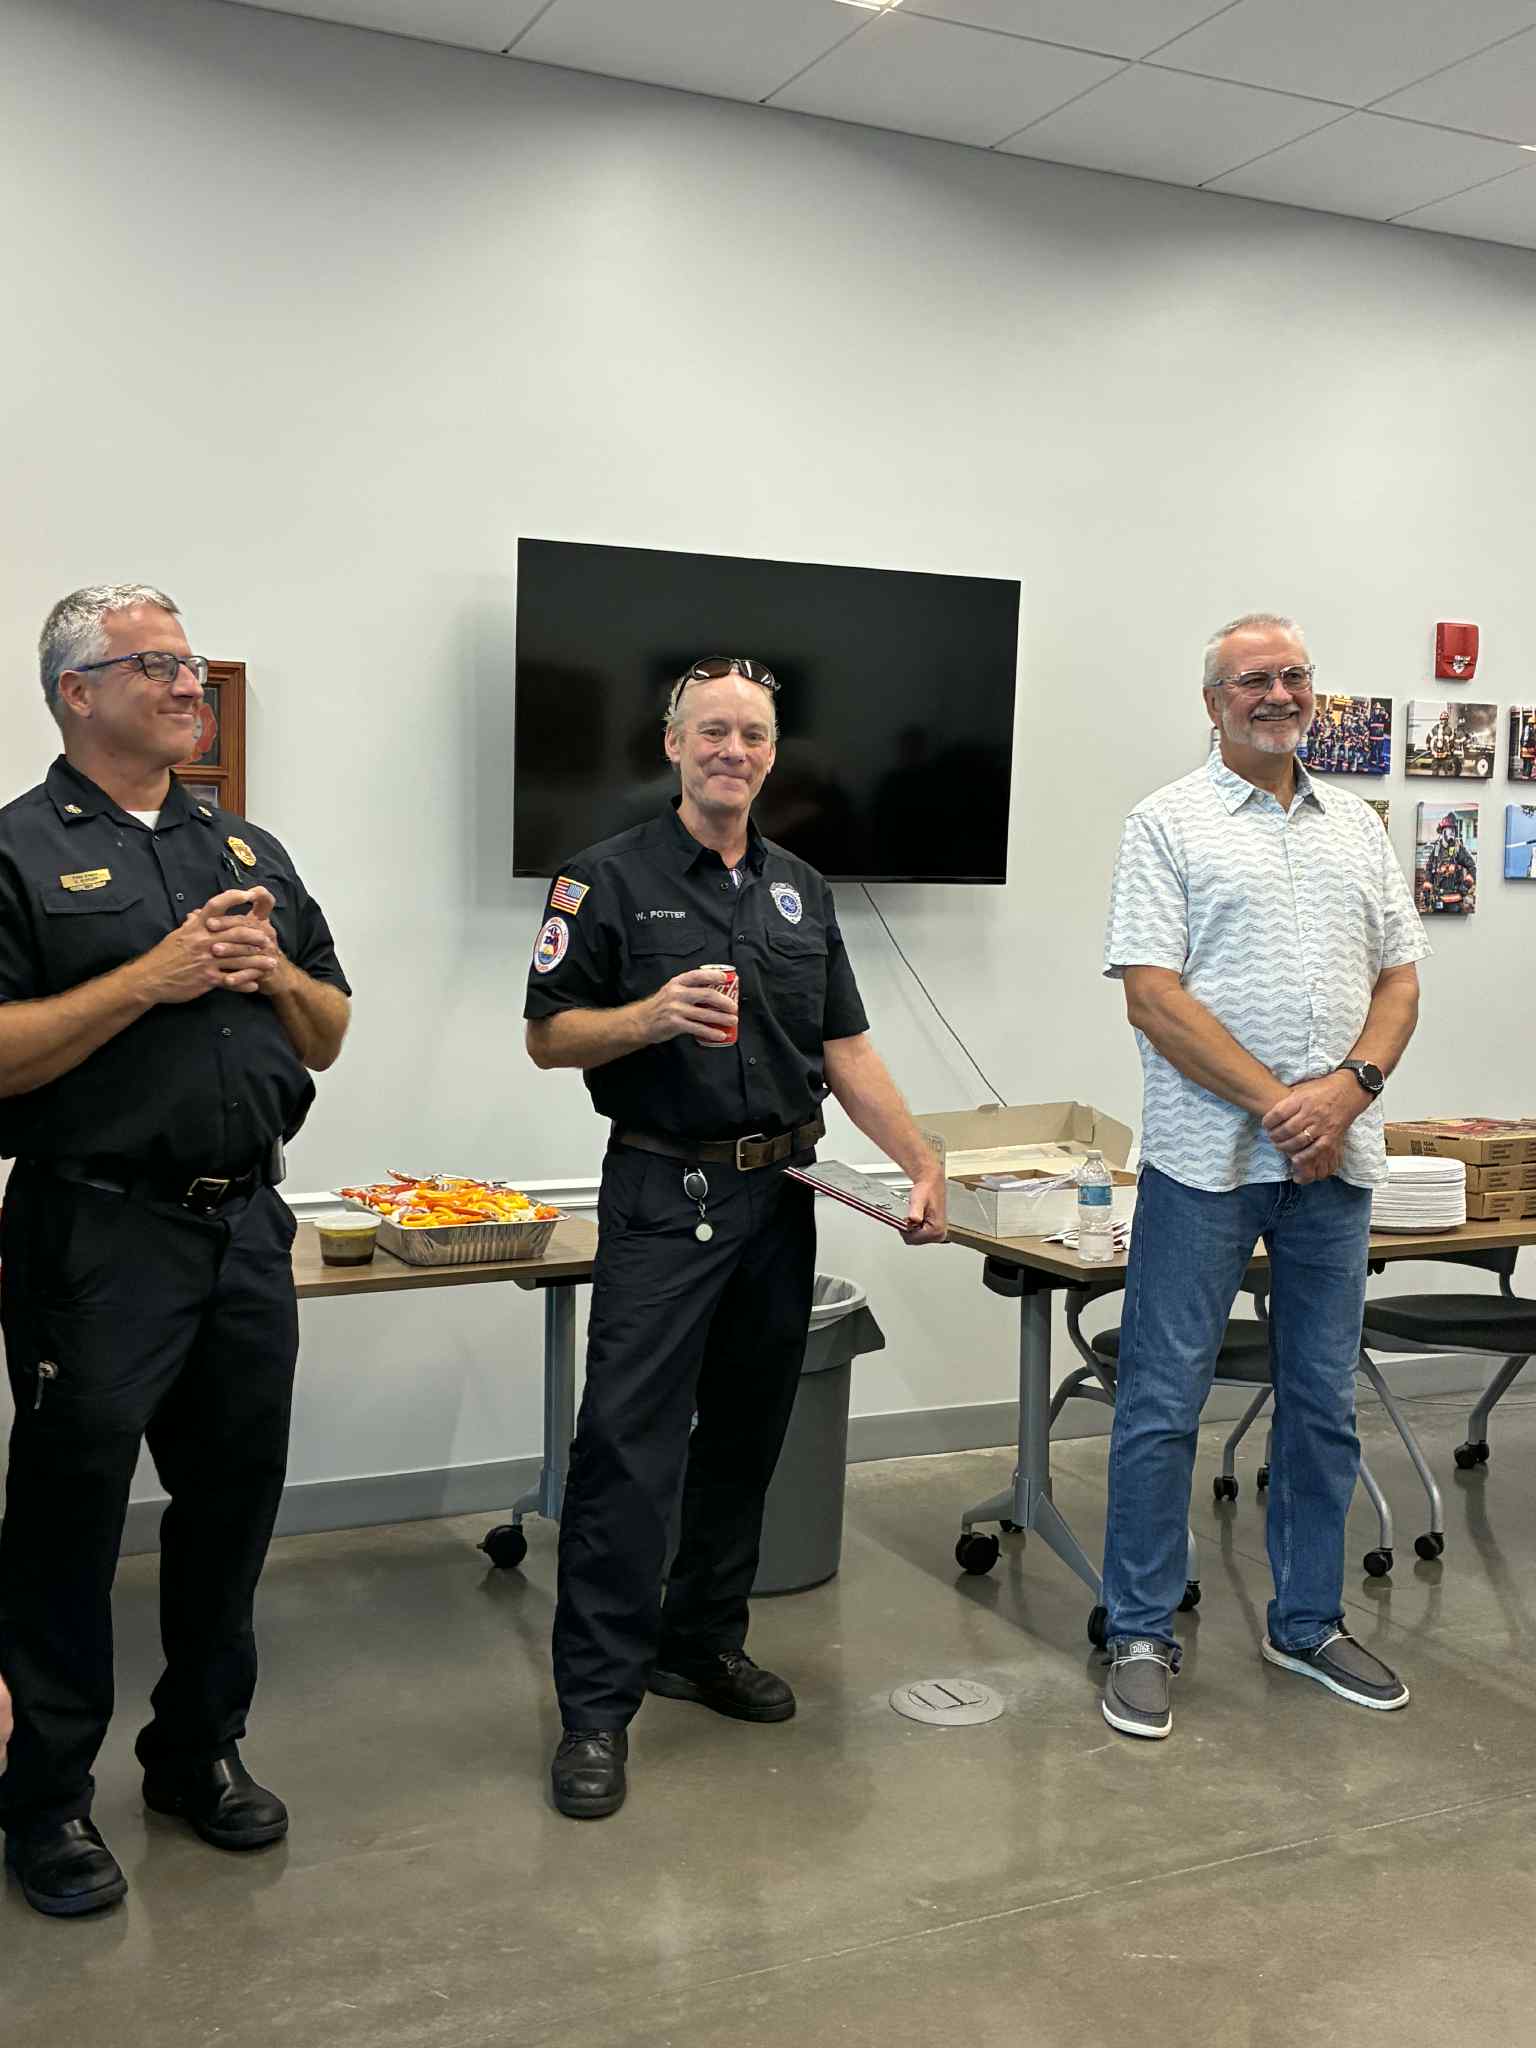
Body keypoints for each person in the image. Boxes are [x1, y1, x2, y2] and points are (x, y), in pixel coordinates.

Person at [523, 654, 945, 1819]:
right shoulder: (602, 878)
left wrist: (920, 1159)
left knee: (746, 1438)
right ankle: (597, 1710)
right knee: (625, 1453)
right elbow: (549, 1037)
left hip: (781, 1193)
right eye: (712, 731)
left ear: (771, 754)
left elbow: (846, 1047)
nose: (733, 751)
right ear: (672, 744)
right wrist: (649, 1015)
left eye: (753, 736)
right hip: (663, 1196)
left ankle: (699, 1644)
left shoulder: (803, 886)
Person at [0, 585, 351, 1916]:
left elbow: (329, 1029)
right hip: (97, 1230)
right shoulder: (18, 854)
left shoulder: (245, 845)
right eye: (156, 663)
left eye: (192, 660)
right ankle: (42, 1800)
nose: (188, 680)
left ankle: (196, 1755)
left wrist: (274, 976)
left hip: (244, 1227)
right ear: (77, 691)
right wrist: (151, 975)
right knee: (67, 1526)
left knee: (231, 1511)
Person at [1098, 611, 1427, 1742]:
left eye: (1293, 675)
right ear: (1214, 702)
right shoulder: (1167, 824)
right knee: (1161, 1400)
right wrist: (1283, 1105)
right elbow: (1153, 993)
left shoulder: (1359, 828)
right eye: (1253, 679)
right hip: (1206, 1163)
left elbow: (1400, 978)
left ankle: (1307, 1619)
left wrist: (1348, 1089)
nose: (1276, 692)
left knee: (1324, 1397)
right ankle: (1139, 1627)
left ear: (1313, 693)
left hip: (1337, 1161)